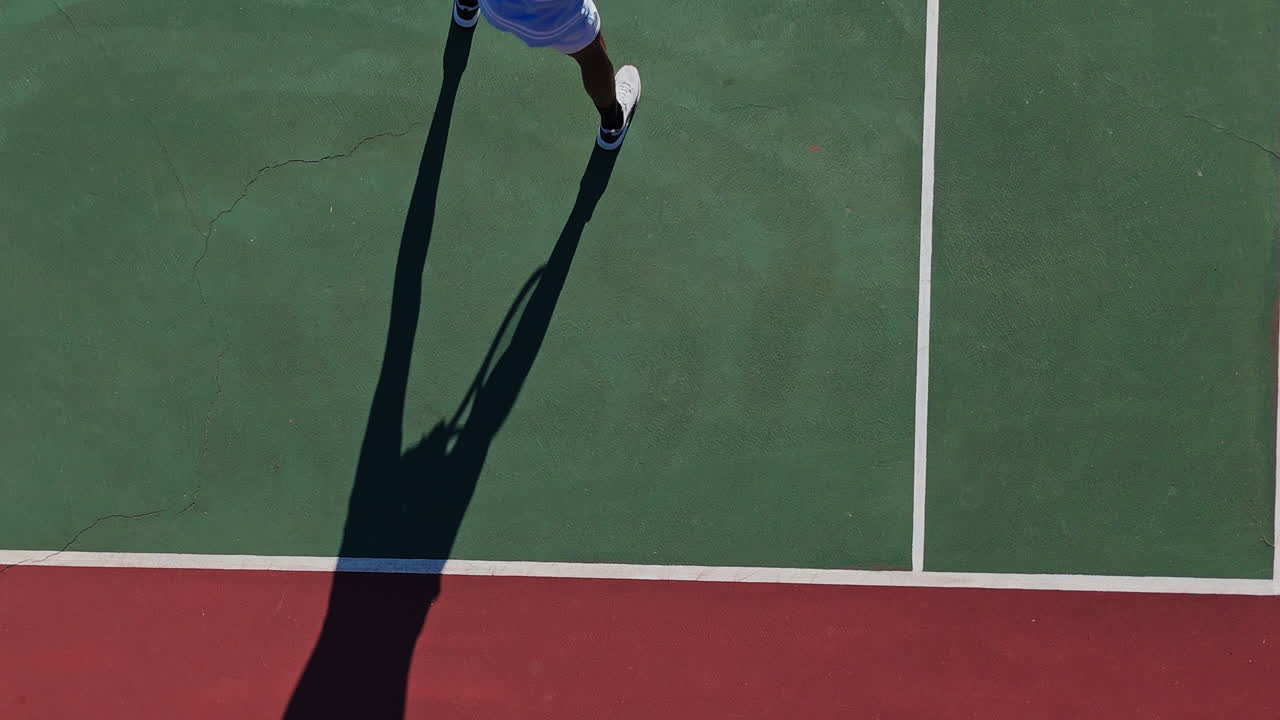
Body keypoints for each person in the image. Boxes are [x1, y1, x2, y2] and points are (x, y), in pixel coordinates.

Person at [452, 0, 641, 150]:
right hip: (556, 19)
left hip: (494, 7)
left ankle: (466, 5)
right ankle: (612, 124)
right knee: (592, 55)